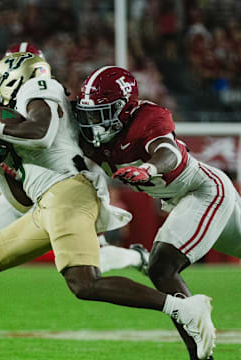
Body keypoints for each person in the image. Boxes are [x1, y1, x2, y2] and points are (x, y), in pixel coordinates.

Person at [0, 52, 215, 360]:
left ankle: (184, 308)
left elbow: (41, 132)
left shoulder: (40, 88)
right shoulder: (16, 121)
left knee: (84, 283)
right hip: (47, 202)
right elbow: (21, 198)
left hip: (68, 193)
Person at [75, 65, 241, 360]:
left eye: (103, 112)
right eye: (90, 113)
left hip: (204, 191)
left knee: (162, 267)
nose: (94, 121)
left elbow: (169, 153)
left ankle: (201, 357)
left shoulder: (148, 116)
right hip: (181, 201)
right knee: (161, 267)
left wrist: (147, 168)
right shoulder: (91, 140)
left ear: (125, 108)